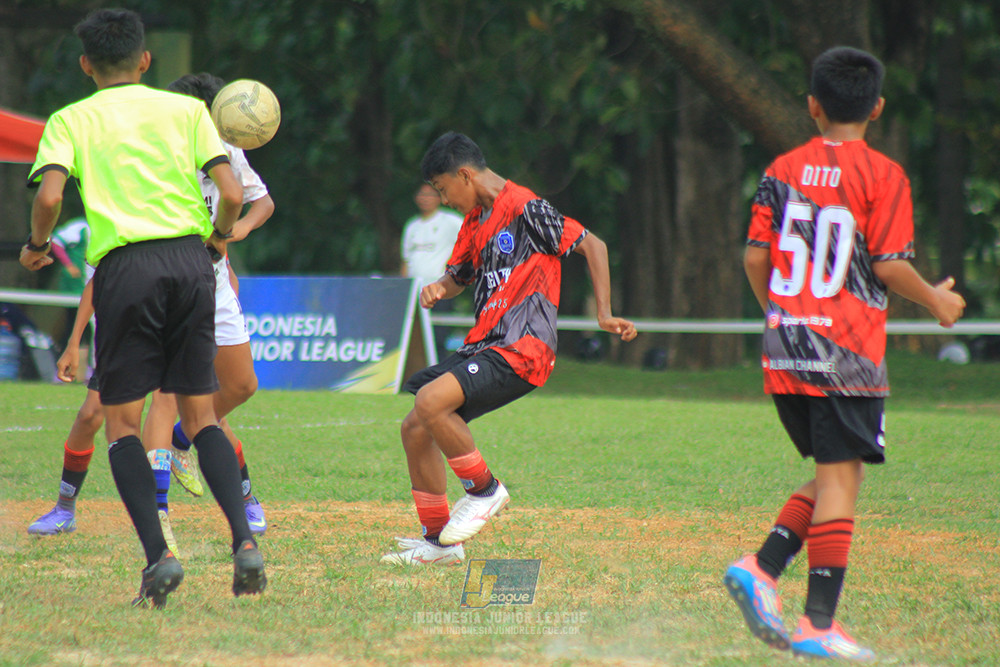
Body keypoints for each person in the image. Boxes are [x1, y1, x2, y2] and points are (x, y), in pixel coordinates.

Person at [723, 46, 965, 660]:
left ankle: (764, 567)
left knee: (841, 475)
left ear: (812, 106)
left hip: (788, 349)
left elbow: (755, 257)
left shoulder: (781, 170)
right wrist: (936, 302)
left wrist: (781, 314)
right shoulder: (884, 176)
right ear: (877, 107)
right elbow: (888, 263)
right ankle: (816, 622)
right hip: (846, 352)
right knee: (839, 480)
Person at [20, 8, 265, 608]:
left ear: (86, 65)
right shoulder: (185, 111)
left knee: (122, 424)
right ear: (145, 61)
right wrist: (216, 238)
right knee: (202, 416)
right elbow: (231, 192)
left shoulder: (69, 119)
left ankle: (159, 558)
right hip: (191, 262)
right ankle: (244, 545)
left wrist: (37, 245)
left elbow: (51, 194)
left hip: (126, 269)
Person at [381, 132, 637, 566]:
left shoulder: (525, 206)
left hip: (524, 348)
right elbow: (457, 276)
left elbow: (594, 244)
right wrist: (438, 289)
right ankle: (439, 543)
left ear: (464, 174)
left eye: (443, 189)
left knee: (430, 401)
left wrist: (605, 315)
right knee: (415, 427)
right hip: (485, 344)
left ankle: (485, 491)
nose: (444, 200)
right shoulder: (475, 221)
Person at [400, 183, 464, 361]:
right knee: (413, 336)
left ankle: (440, 373)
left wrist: (452, 270)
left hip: (439, 289)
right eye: (422, 195)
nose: (425, 199)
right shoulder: (412, 226)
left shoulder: (451, 221)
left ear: (439, 199)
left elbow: (468, 241)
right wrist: (404, 287)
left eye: (430, 195)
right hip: (415, 291)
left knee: (438, 335)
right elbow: (406, 259)